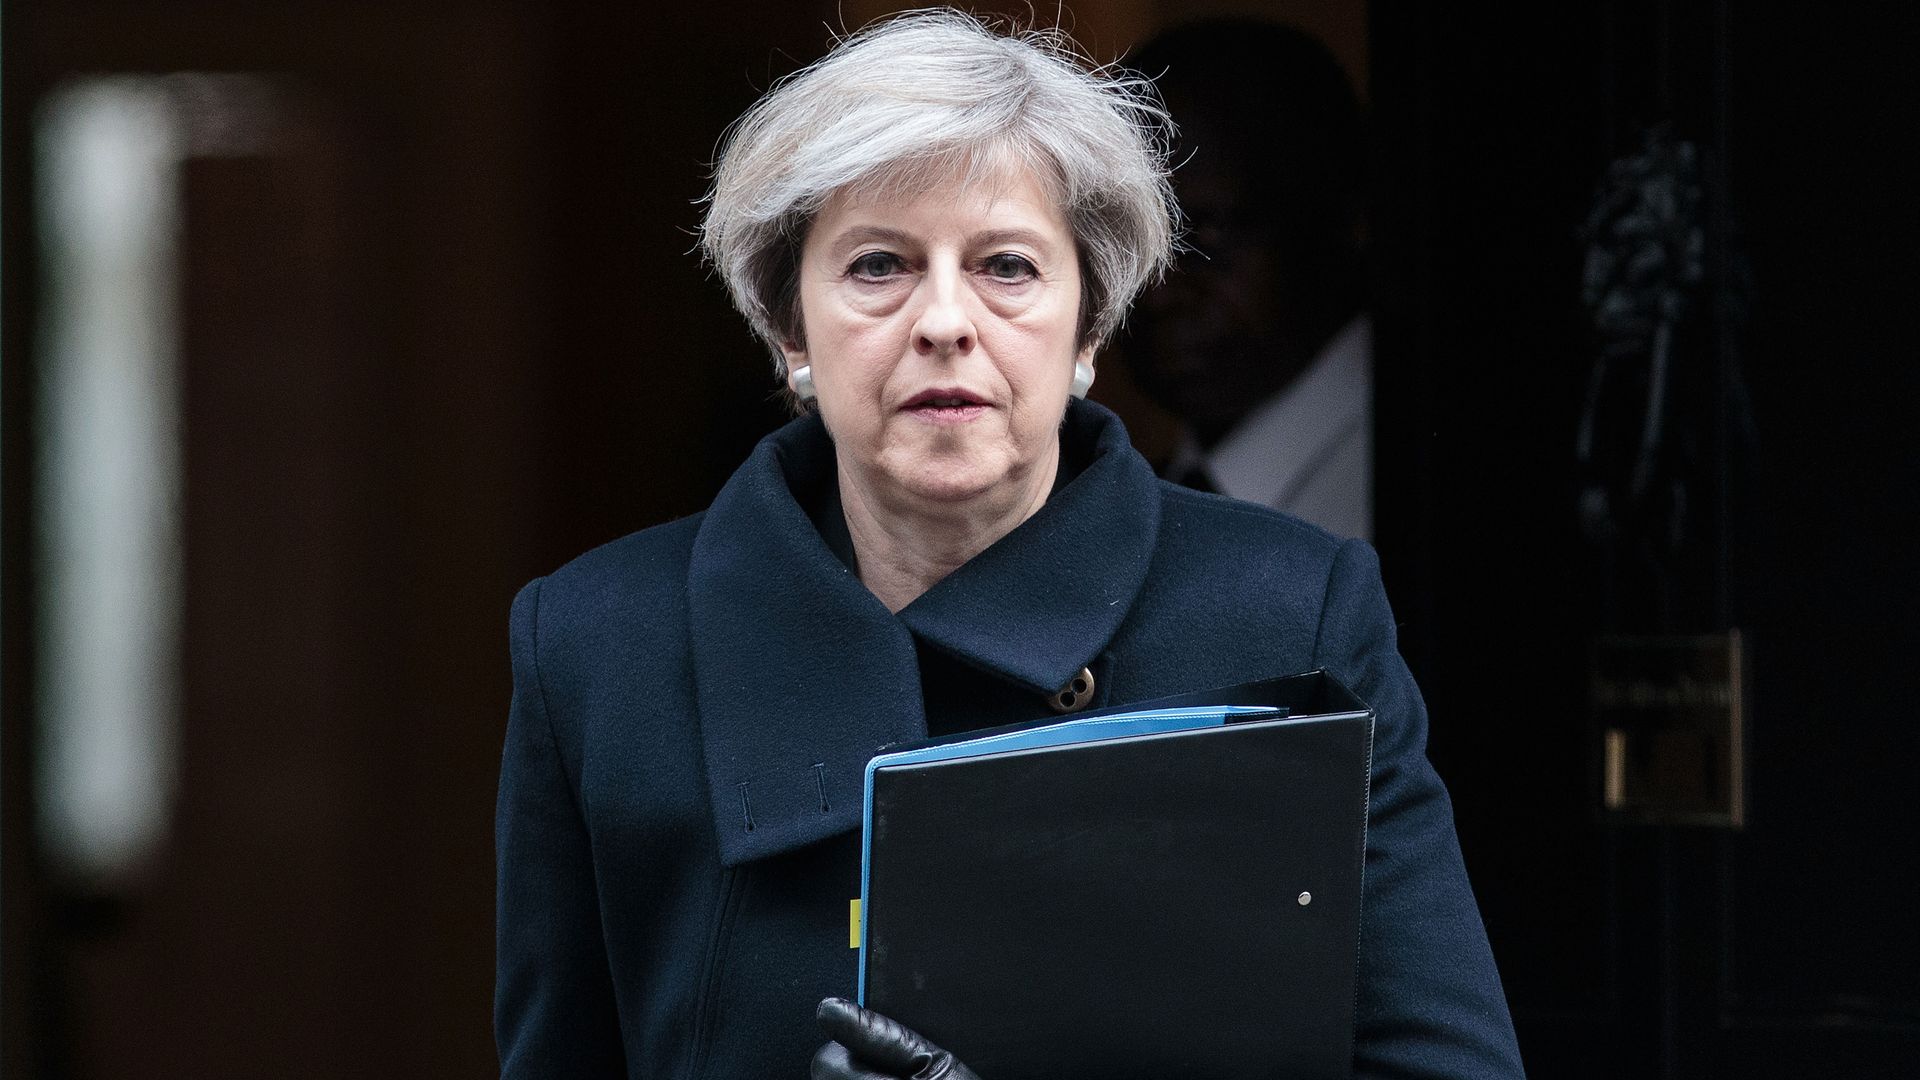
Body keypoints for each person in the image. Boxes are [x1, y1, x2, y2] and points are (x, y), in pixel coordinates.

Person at [494, 11, 1523, 1079]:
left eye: (1009, 267)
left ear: (1089, 331)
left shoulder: (1291, 612)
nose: (945, 319)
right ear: (788, 328)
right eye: (879, 265)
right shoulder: (594, 646)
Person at [1121, 20, 1375, 539]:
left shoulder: (1403, 500)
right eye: (1128, 243)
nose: (1156, 292)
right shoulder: (1147, 495)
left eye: (1210, 233)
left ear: (1343, 219)